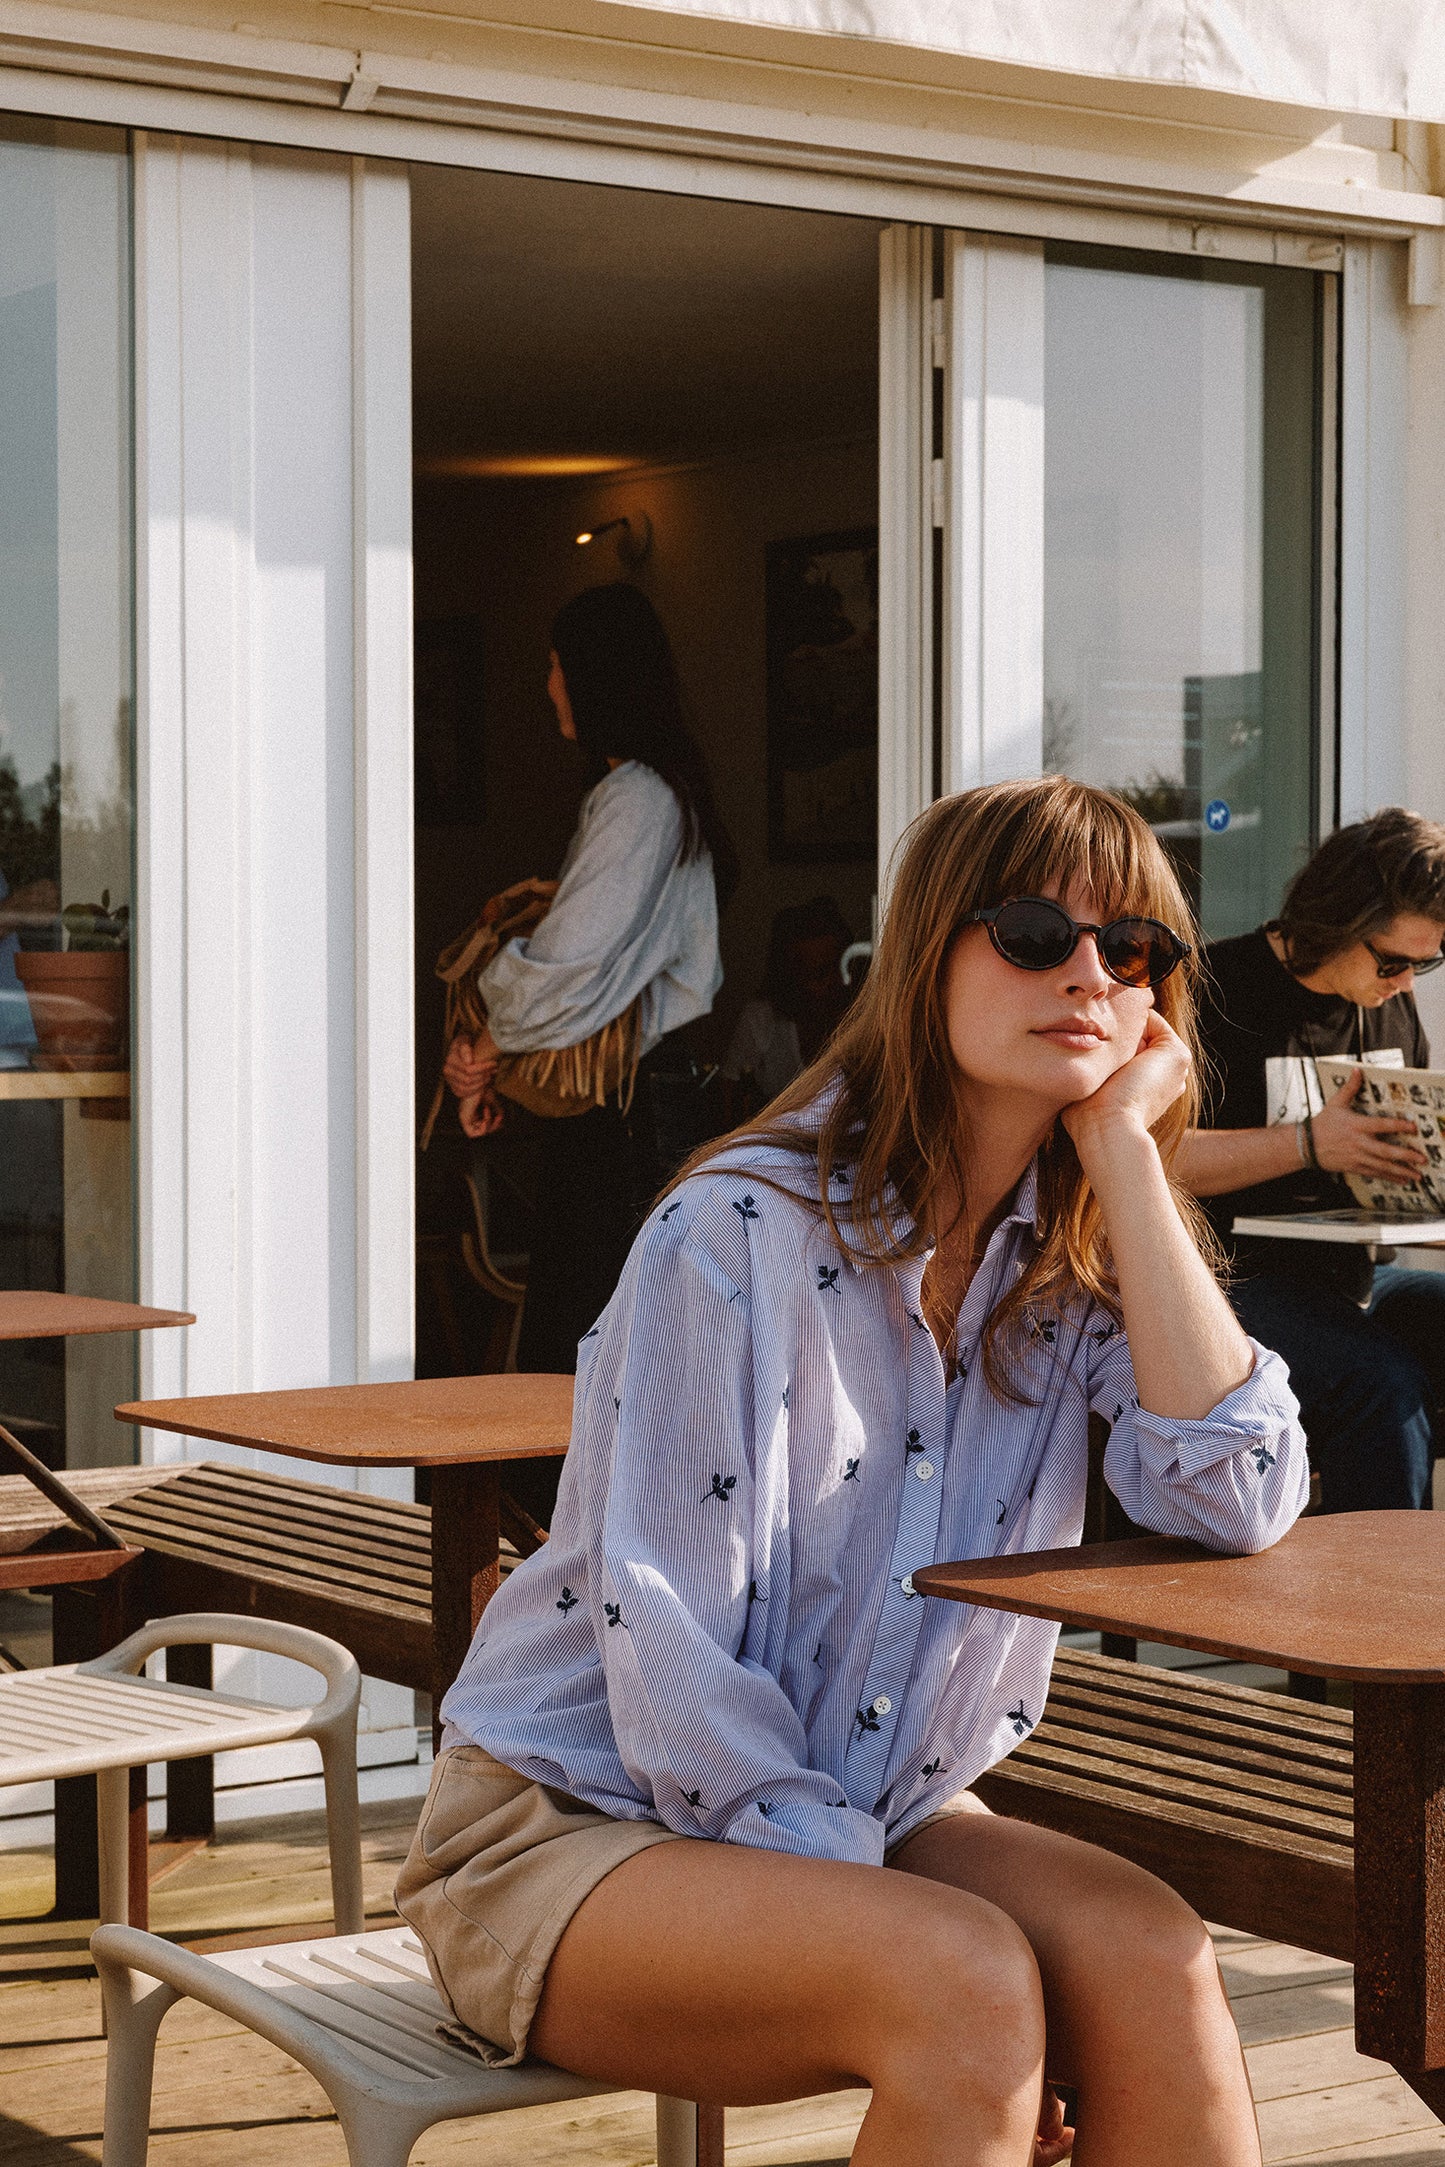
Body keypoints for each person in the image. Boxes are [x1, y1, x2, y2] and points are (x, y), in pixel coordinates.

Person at [399, 775, 1306, 2166]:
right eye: (1033, 933)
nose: (1088, 973)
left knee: (1155, 1959)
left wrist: (1125, 1156)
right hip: (570, 1823)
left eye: (1132, 949)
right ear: (926, 953)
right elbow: (671, 1653)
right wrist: (932, 1944)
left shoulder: (1069, 1265)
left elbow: (1236, 1493)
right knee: (966, 1983)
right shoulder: (731, 1233)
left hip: (863, 1803)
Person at [443, 583, 736, 1406]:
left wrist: (486, 1046)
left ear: (596, 676)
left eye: (557, 665)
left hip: (629, 1122)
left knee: (589, 1367)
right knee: (616, 1361)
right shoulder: (644, 793)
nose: (548, 686)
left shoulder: (639, 797)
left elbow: (566, 964)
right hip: (635, 1111)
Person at [1179, 807, 1445, 1512]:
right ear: (1337, 921)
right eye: (1393, 961)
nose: (1406, 982)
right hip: (1222, 1282)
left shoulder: (1389, 1003)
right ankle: (1376, 1586)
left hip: (1354, 1276)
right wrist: (1305, 1144)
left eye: (1426, 962)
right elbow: (1144, 1155)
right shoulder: (1215, 989)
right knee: (1379, 1384)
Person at [721, 894, 854, 1119]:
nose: (836, 981)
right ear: (791, 978)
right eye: (819, 973)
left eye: (841, 966)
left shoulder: (861, 1016)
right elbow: (730, 1093)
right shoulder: (762, 1018)